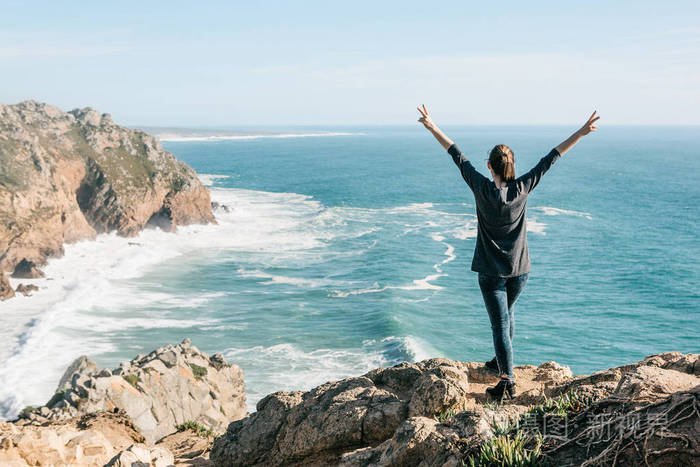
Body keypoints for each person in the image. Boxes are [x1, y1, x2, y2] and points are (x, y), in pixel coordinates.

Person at [417, 105, 600, 400]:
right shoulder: (523, 187)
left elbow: (456, 154)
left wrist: (432, 126)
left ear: (489, 166)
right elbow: (551, 158)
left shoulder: (481, 188)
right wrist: (581, 132)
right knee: (507, 315)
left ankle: (507, 380)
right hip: (520, 272)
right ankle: (499, 362)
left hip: (491, 273)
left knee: (500, 322)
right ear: (511, 166)